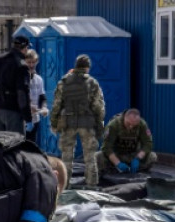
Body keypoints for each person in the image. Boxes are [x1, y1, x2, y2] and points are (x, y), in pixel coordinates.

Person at [50, 54, 105, 187]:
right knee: (90, 157)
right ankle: (92, 186)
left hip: (68, 122)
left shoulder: (63, 81)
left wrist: (54, 123)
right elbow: (98, 106)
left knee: (66, 157)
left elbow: (57, 105)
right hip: (87, 123)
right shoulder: (92, 82)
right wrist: (100, 124)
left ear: (76, 66)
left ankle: (64, 185)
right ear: (87, 68)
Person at [0, 36, 32, 134]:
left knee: (2, 144)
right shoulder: (21, 65)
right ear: (24, 48)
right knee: (15, 144)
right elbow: (22, 93)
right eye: (27, 48)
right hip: (12, 109)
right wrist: (28, 118)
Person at [96, 108, 157, 175]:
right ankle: (111, 171)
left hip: (133, 155)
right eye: (128, 124)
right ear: (124, 117)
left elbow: (148, 143)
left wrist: (138, 158)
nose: (131, 127)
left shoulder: (142, 124)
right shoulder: (113, 125)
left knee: (152, 156)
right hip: (117, 155)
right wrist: (118, 163)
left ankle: (136, 171)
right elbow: (106, 147)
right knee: (98, 156)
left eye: (134, 126)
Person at [24, 49, 49, 145]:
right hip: (22, 119)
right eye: (28, 62)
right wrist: (28, 106)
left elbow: (42, 96)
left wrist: (44, 107)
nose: (31, 65)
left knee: (31, 145)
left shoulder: (38, 79)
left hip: (34, 119)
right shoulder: (20, 78)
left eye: (33, 62)